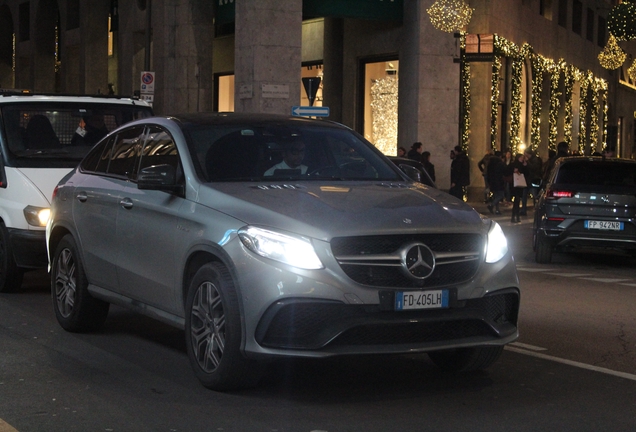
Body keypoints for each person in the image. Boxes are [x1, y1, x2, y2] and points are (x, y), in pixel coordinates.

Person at [521, 148, 543, 214]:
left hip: (533, 180)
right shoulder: (527, 160)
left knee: (535, 195)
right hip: (527, 180)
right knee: (524, 195)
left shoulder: (535, 160)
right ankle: (523, 210)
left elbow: (534, 169)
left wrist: (527, 163)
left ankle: (537, 209)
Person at [508, 153, 528, 223]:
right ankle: (515, 216)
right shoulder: (516, 165)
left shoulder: (519, 164)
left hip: (517, 184)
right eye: (522, 157)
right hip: (516, 184)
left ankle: (515, 216)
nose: (523, 159)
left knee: (517, 201)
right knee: (517, 200)